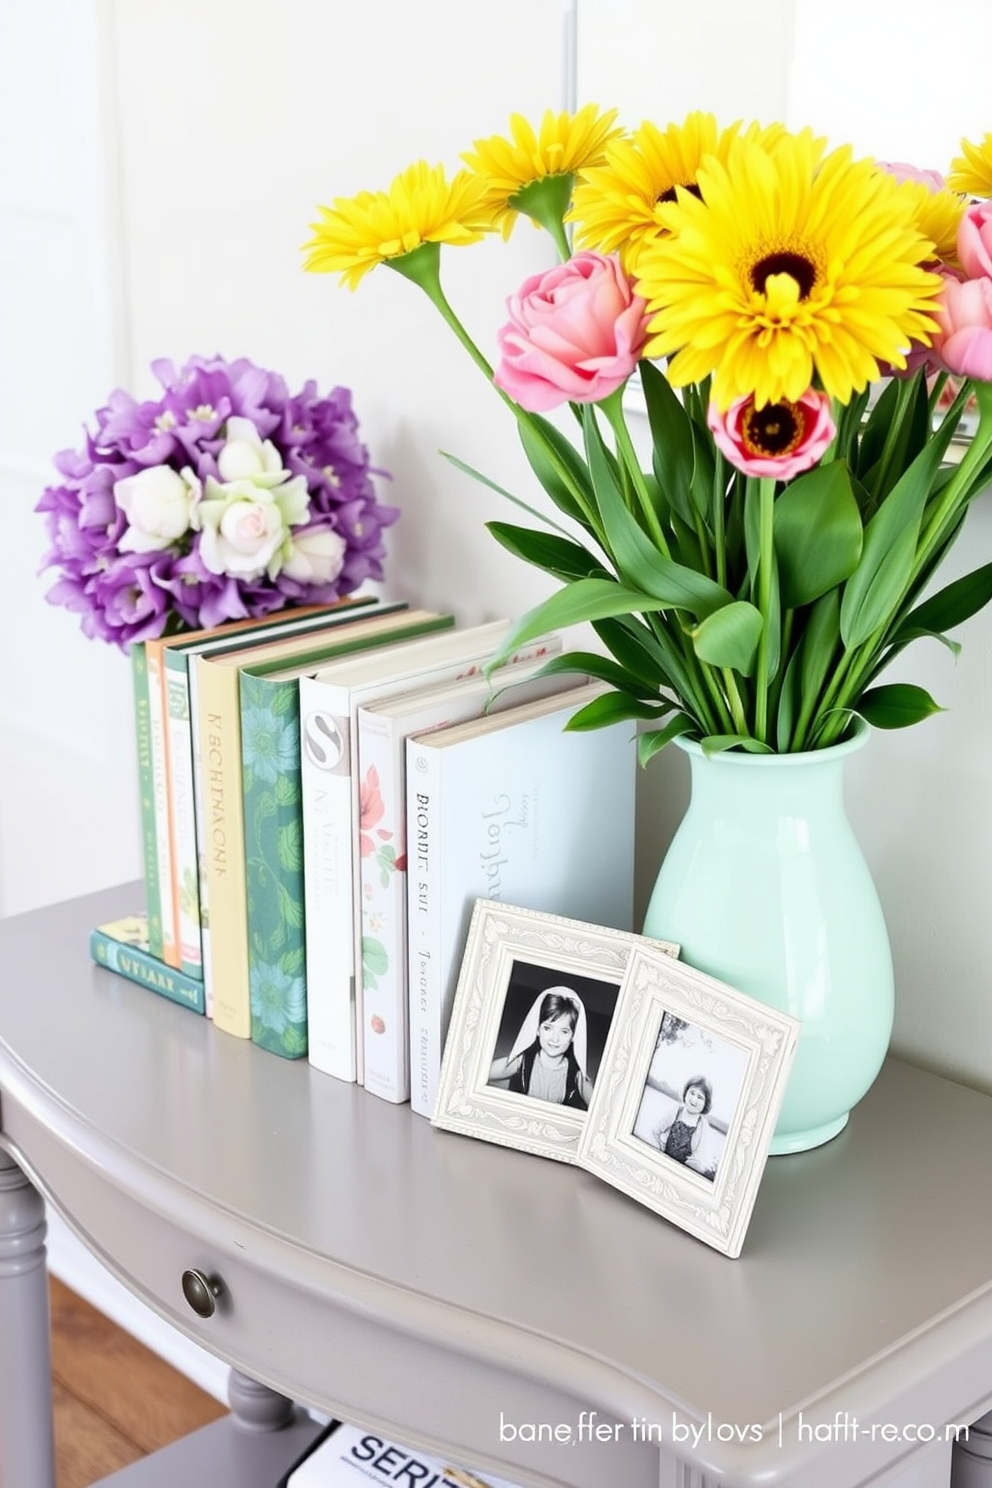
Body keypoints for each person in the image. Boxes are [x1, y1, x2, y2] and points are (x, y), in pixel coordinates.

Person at [489, 987, 593, 1109]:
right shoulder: (519, 1063)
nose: (555, 1039)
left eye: (564, 1031)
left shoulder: (579, 1078)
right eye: (547, 1028)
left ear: (574, 1036)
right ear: (537, 1029)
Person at [652, 1076, 713, 1167]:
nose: (694, 1099)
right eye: (692, 1093)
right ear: (686, 1093)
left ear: (705, 1104)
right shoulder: (675, 1110)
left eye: (700, 1097)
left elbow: (700, 1157)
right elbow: (655, 1131)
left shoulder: (702, 1126)